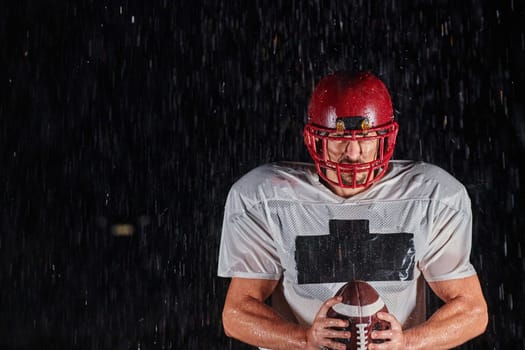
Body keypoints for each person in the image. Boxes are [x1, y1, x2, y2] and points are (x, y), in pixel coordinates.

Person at [217, 71, 488, 350]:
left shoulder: (431, 197)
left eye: (366, 137)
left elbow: (472, 312)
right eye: (339, 137)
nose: (353, 153)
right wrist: (304, 339)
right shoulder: (267, 198)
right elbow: (237, 314)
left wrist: (407, 342)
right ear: (314, 139)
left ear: (387, 137)